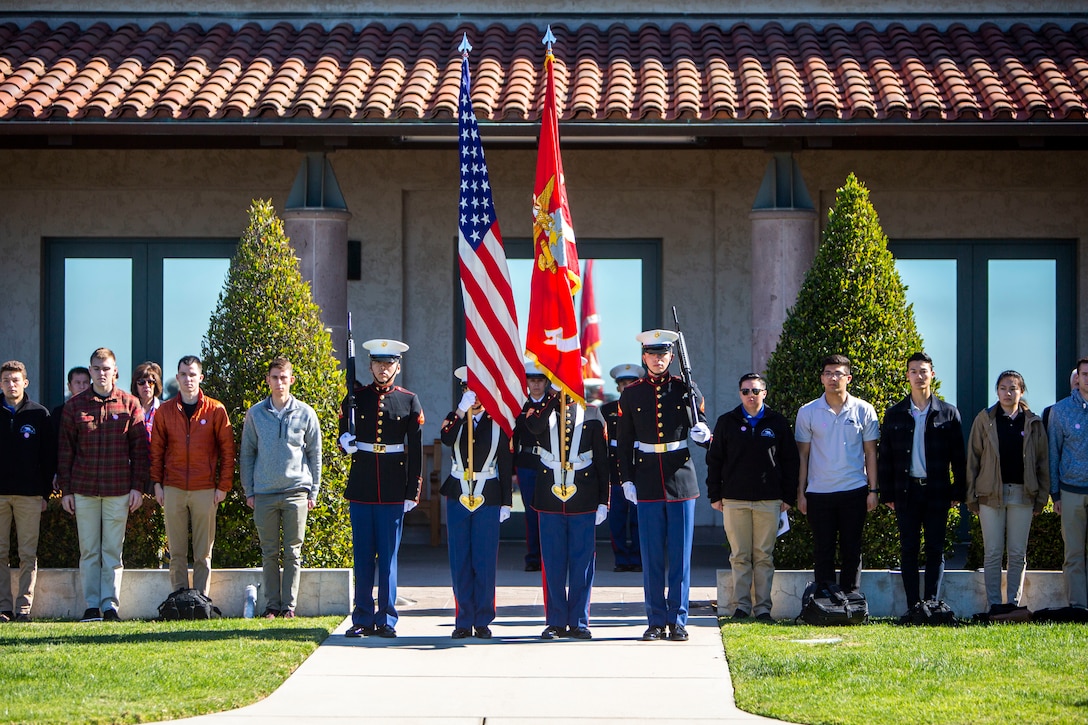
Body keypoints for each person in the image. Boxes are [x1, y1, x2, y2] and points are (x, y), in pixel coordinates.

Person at [617, 330, 711, 642]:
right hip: (646, 478)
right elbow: (625, 442)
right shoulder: (632, 394)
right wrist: (627, 479)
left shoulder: (685, 387)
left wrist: (704, 436)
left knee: (681, 555)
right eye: (653, 354)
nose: (658, 359)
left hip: (680, 476)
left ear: (672, 356)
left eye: (664, 354)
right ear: (644, 357)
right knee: (653, 556)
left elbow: (699, 423)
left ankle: (679, 620)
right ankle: (656, 620)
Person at [338, 339, 424, 639]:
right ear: (370, 365)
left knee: (387, 559)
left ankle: (387, 617)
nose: (383, 368)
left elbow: (415, 451)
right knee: (362, 557)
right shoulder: (355, 398)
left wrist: (412, 490)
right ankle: (361, 616)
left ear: (397, 367)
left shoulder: (409, 400)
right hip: (362, 486)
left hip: (391, 488)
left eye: (389, 363)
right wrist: (344, 443)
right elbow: (343, 436)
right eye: (378, 363)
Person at [57, 348, 149, 622]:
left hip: (119, 489)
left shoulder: (130, 404)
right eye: (96, 368)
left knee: (112, 551)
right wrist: (66, 490)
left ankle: (110, 606)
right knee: (89, 551)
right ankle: (91, 605)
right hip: (83, 490)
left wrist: (137, 488)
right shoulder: (74, 406)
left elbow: (140, 451)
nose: (101, 373)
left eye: (106, 368)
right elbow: (65, 451)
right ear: (90, 370)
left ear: (115, 371)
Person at [876, 352, 966, 616]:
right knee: (909, 549)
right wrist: (887, 493)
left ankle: (932, 603)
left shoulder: (948, 413)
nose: (919, 376)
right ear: (907, 376)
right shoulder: (895, 414)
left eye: (923, 371)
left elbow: (958, 458)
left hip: (937, 490)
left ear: (932, 374)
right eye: (913, 371)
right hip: (906, 491)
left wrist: (958, 490)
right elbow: (886, 458)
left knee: (935, 549)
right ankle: (914, 606)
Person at [706, 373, 798, 622]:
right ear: (740, 394)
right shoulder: (727, 422)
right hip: (734, 500)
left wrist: (788, 497)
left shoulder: (777, 422)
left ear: (764, 393)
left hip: (769, 500)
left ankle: (763, 609)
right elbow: (714, 461)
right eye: (745, 391)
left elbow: (790, 462)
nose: (750, 396)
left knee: (763, 555)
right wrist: (715, 495)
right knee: (739, 555)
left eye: (755, 391)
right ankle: (741, 607)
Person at [241, 357, 322, 619]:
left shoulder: (306, 413)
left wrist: (314, 490)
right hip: (264, 493)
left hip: (296, 491)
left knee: (293, 552)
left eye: (283, 377)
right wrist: (249, 490)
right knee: (269, 553)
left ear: (292, 380)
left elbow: (315, 454)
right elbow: (247, 453)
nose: (279, 383)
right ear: (268, 380)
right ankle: (271, 606)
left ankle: (289, 607)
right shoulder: (255, 414)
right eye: (274, 377)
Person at [524, 393, 609, 639]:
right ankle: (556, 621)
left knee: (583, 563)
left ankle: (580, 621)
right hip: (550, 498)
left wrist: (604, 500)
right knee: (552, 562)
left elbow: (602, 459)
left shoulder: (592, 412)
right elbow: (533, 429)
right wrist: (551, 402)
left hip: (584, 495)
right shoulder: (541, 411)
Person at [150, 356, 235, 596]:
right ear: (177, 378)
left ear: (201, 377)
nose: (188, 379)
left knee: (203, 552)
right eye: (184, 375)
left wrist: (223, 486)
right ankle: (178, 596)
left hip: (205, 488)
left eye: (192, 374)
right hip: (173, 487)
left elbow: (228, 451)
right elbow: (156, 450)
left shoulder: (216, 409)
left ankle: (201, 598)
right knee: (176, 551)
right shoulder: (165, 411)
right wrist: (157, 483)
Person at [795, 354, 879, 597]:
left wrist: (873, 490)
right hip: (819, 492)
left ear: (848, 378)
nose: (833, 378)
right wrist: (801, 492)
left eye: (839, 373)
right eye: (828, 373)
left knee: (852, 548)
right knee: (823, 548)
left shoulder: (864, 410)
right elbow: (802, 456)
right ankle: (824, 598)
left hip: (854, 490)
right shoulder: (808, 411)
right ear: (822, 378)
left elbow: (871, 453)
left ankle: (851, 597)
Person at [967, 370, 1049, 613]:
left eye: (1013, 388)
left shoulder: (1033, 422)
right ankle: (994, 604)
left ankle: (1012, 604)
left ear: (1021, 391)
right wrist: (971, 496)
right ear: (997, 391)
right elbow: (973, 459)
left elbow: (1043, 462)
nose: (1007, 392)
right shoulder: (985, 419)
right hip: (990, 494)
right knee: (992, 552)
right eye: (1003, 388)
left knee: (1016, 553)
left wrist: (1041, 497)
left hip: (1023, 494)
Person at [440, 367, 512, 640]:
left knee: (484, 560)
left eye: (480, 391)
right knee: (460, 559)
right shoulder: (455, 417)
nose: (475, 396)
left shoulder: (499, 422)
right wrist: (460, 412)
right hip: (459, 491)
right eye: (469, 390)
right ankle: (462, 619)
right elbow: (447, 438)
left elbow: (506, 465)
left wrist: (506, 501)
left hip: (489, 493)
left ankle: (482, 619)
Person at [0, 360, 56, 622]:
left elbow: (48, 459)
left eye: (15, 380)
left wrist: (44, 494)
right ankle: (3, 607)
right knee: (0, 553)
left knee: (27, 554)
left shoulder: (39, 414)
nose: (11, 385)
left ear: (25, 382)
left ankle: (23, 608)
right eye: (6, 380)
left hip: (30, 495)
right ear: (1, 384)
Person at [1048, 358, 1088, 609]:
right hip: (1071, 491)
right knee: (1073, 555)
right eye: (1085, 374)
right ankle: (1078, 607)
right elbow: (1054, 453)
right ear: (1078, 377)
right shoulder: (1060, 411)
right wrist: (1055, 493)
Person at [511, 364, 554, 572]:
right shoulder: (519, 405)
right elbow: (513, 439)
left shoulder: (553, 404)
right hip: (527, 462)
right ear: (526, 382)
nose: (536, 385)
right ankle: (534, 557)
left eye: (540, 380)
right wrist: (511, 470)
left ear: (546, 383)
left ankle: (550, 556)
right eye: (532, 380)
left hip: (550, 463)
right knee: (531, 512)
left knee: (549, 511)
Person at [602, 363, 643, 573]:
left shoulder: (643, 408)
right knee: (617, 520)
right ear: (617, 387)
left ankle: (637, 558)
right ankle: (621, 559)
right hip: (615, 473)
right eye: (623, 384)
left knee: (638, 520)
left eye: (631, 383)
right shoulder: (607, 410)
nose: (627, 387)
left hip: (638, 470)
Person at [130, 361, 163, 441]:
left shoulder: (165, 409)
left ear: (156, 385)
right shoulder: (130, 409)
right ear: (135, 386)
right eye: (141, 382)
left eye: (150, 382)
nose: (146, 386)